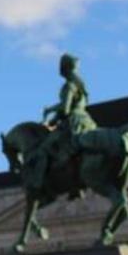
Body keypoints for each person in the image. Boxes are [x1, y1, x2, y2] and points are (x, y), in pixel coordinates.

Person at [30, 53, 98, 191]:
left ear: (63, 68)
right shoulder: (81, 85)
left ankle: (37, 183)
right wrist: (53, 116)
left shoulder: (69, 86)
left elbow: (66, 110)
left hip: (74, 122)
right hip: (88, 122)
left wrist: (50, 111)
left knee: (44, 149)